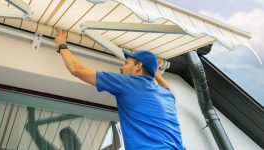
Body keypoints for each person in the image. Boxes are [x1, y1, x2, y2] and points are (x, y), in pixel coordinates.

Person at [54, 28, 185, 150]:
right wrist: (153, 71)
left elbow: (77, 70)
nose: (121, 68)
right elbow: (166, 87)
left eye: (126, 63)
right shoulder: (167, 96)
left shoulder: (129, 83)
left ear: (138, 66)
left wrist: (62, 45)